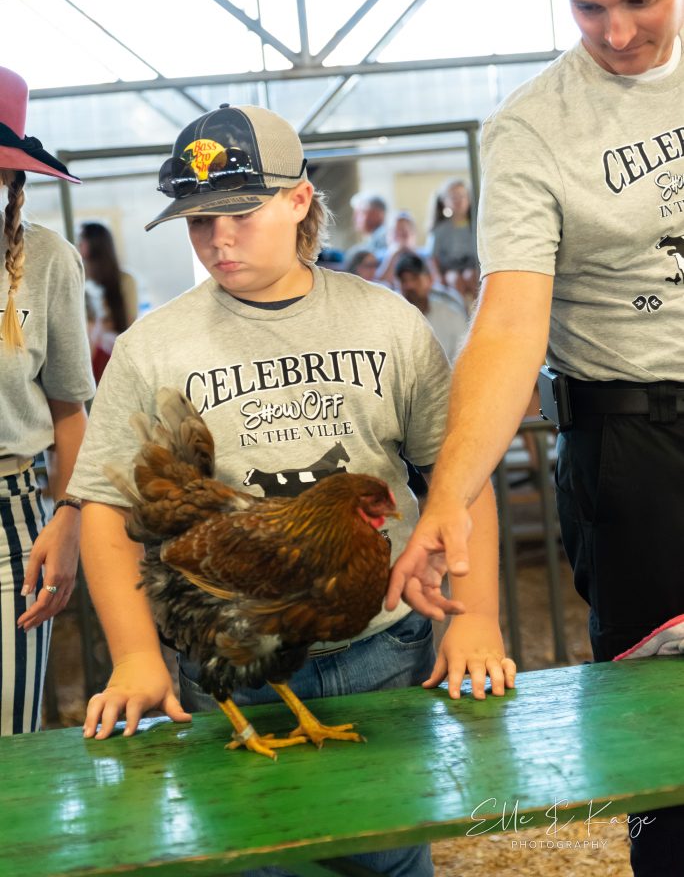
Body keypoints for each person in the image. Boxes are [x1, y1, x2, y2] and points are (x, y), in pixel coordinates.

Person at [67, 104, 515, 877]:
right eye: (198, 221)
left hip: (379, 644)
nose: (218, 239)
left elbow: (460, 478)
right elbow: (106, 513)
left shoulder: (385, 323)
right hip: (230, 653)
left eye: (240, 214)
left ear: (300, 199)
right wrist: (136, 655)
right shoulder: (151, 348)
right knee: (257, 853)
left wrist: (476, 617)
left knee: (387, 853)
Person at [388, 0, 684, 876]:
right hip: (635, 446)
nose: (617, 32)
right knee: (662, 737)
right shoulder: (531, 125)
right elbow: (510, 321)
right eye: (588, 8)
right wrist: (452, 494)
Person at [0, 66, 94, 735]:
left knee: (12, 736)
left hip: (11, 520)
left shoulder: (47, 262)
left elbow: (70, 410)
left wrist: (70, 517)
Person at [78, 221, 138, 383]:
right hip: (89, 353)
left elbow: (130, 321)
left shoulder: (125, 280)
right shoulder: (79, 279)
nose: (78, 245)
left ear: (95, 243)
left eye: (82, 239)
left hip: (115, 353)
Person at [394, 252, 468, 365]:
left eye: (414, 279)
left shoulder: (451, 315)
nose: (409, 286)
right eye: (403, 281)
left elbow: (464, 357)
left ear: (429, 280)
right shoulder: (391, 320)